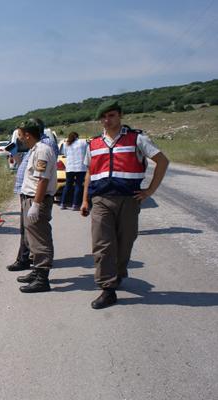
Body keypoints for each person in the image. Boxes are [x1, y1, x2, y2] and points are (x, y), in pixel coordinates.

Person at [80, 100, 169, 309]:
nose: (106, 120)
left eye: (111, 115)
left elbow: (163, 161)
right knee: (102, 244)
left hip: (129, 200)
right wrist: (85, 199)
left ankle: (118, 273)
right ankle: (107, 288)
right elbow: (89, 173)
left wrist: (150, 191)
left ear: (119, 116)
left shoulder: (136, 139)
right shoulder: (93, 144)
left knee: (125, 241)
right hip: (101, 199)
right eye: (103, 117)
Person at [6, 119, 59, 271]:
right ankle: (34, 266)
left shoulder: (44, 147)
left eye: (21, 135)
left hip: (36, 196)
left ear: (29, 134)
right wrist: (14, 153)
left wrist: (36, 204)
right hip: (29, 193)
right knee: (30, 232)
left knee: (39, 236)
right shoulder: (34, 147)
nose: (19, 138)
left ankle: (41, 274)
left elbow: (43, 178)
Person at [60, 131, 88, 210]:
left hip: (70, 168)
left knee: (68, 185)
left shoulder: (66, 144)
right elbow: (87, 152)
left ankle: (63, 203)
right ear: (77, 136)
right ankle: (75, 205)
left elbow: (65, 154)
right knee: (78, 186)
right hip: (81, 168)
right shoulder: (83, 142)